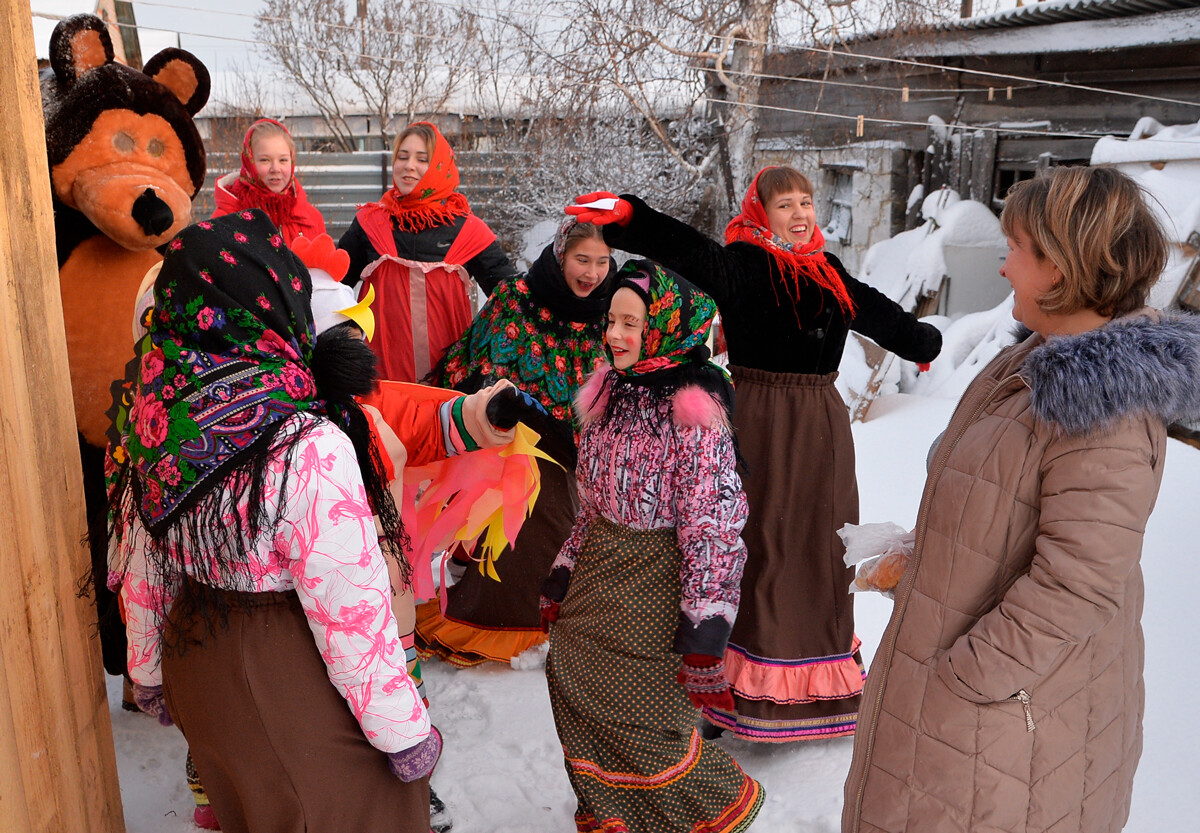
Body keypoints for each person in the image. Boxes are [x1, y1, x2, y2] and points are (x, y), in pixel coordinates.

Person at [843, 166, 1200, 833]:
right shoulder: (1030, 362)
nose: (1003, 267)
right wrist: (924, 559)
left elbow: (1079, 584)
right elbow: (999, 509)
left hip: (1005, 728)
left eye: (1020, 250)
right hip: (969, 717)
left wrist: (968, 677)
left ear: (1065, 268)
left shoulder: (1106, 410)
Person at [567, 167, 942, 742]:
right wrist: (631, 217)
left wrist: (922, 343)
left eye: (806, 202)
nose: (799, 214)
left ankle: (816, 686)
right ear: (761, 212)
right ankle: (730, 688)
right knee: (754, 545)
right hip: (759, 423)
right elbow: (687, 249)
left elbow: (877, 311)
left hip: (821, 428)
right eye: (785, 204)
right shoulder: (743, 264)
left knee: (817, 546)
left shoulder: (829, 272)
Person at [111, 211, 439, 833]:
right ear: (275, 301)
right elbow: (350, 609)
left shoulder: (158, 420)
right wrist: (403, 735)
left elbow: (143, 563)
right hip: (288, 669)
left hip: (198, 663)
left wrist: (149, 670)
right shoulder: (303, 440)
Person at [541, 261, 763, 833]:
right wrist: (564, 570)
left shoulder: (693, 408)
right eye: (611, 320)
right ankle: (614, 809)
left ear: (662, 327)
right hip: (600, 565)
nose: (613, 335)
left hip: (655, 576)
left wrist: (706, 621)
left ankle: (703, 810)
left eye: (630, 324)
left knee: (641, 711)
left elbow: (712, 521)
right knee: (566, 670)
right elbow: (590, 500)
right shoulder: (609, 392)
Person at [417, 217, 615, 666]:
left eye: (603, 262)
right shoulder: (517, 298)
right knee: (541, 503)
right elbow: (475, 369)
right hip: (510, 435)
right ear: (561, 254)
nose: (592, 273)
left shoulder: (612, 310)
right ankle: (501, 615)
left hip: (580, 446)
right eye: (582, 259)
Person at [339, 122, 517, 382]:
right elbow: (335, 287)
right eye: (402, 156)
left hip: (448, 384)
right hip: (381, 382)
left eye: (422, 159)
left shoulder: (468, 231)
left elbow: (511, 298)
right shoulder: (369, 224)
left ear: (439, 168)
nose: (409, 165)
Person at [212, 118, 326, 245]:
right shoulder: (225, 220)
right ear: (249, 162)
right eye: (265, 160)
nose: (275, 169)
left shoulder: (311, 219)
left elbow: (326, 262)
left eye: (283, 160)